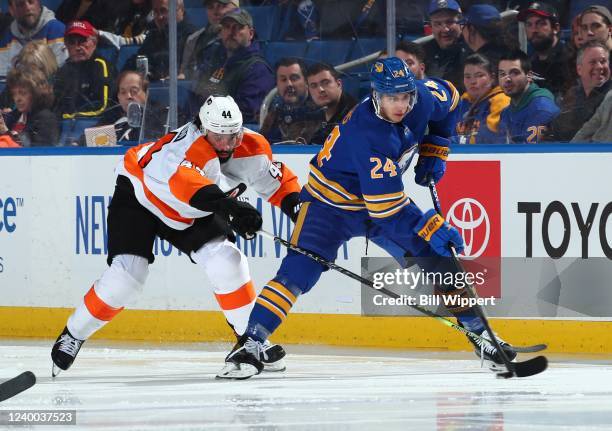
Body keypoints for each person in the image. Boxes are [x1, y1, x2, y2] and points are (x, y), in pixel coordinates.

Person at [216, 58, 516, 380]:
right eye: (391, 98)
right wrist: (431, 225)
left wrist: (437, 146)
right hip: (328, 206)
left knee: (437, 261)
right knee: (296, 273)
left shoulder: (423, 97)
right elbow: (386, 211)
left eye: (405, 96)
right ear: (376, 95)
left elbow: (451, 100)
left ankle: (482, 336)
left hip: (378, 199)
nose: (400, 105)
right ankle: (250, 343)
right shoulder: (368, 134)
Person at [50, 94, 302, 376]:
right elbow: (187, 186)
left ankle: (251, 340)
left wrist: (297, 208)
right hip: (141, 197)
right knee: (126, 279)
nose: (226, 145)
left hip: (192, 210)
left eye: (232, 136)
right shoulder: (183, 149)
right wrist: (231, 207)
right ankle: (74, 332)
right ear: (203, 129)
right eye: (218, 137)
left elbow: (275, 182)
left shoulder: (252, 147)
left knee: (227, 261)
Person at [192, 8, 274, 123]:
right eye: (227, 27)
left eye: (238, 27)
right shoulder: (215, 61)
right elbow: (196, 96)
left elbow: (244, 114)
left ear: (251, 34)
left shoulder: (257, 70)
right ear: (221, 32)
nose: (231, 32)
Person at [549, 41, 610, 142]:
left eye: (603, 61)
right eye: (593, 62)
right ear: (579, 69)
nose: (599, 66)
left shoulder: (610, 99)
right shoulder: (571, 97)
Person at [53, 20, 116, 119]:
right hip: (67, 125)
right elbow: (56, 105)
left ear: (94, 43)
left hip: (96, 123)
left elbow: (103, 107)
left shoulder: (101, 65)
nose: (77, 47)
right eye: (72, 42)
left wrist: (70, 117)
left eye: (82, 41)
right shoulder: (63, 69)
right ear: (66, 46)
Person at [497, 50, 560, 143]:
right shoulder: (505, 113)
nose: (507, 79)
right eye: (502, 74)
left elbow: (529, 155)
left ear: (529, 76)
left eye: (514, 73)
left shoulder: (542, 109)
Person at [124, 0, 196, 81]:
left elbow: (199, 72)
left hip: (181, 90)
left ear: (181, 10)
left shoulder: (194, 38)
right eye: (155, 12)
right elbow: (135, 63)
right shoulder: (153, 35)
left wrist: (185, 76)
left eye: (164, 11)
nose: (159, 17)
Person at [259, 57, 323, 144]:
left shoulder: (322, 111)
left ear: (306, 81)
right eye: (283, 79)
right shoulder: (274, 113)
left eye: (294, 78)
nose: (289, 84)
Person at [517, 1, 570, 99]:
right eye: (529, 25)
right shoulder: (530, 63)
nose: (534, 30)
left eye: (541, 24)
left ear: (556, 28)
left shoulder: (569, 60)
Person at [0, 0, 67, 76]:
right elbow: (1, 77)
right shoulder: (7, 36)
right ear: (11, 10)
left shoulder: (57, 29)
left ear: (39, 3)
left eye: (31, 2)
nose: (28, 8)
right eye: (20, 4)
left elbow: (61, 75)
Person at [455, 53, 509, 144]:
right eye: (467, 77)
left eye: (479, 75)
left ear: (492, 77)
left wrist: (455, 141)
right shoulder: (461, 102)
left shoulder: (501, 100)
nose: (473, 81)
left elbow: (490, 137)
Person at [179, 0, 239, 81]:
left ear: (236, 8)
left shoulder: (243, 39)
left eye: (221, 6)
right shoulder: (193, 40)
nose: (216, 12)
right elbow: (185, 76)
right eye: (210, 7)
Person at [0, 68, 59, 146]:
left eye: (23, 93)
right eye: (14, 94)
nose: (17, 99)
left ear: (36, 93)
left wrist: (5, 132)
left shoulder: (46, 119)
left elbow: (37, 154)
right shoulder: (14, 116)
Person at [422, 0, 469, 90]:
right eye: (438, 24)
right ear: (431, 27)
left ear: (461, 23)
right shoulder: (425, 51)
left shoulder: (470, 50)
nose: (445, 29)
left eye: (450, 22)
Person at [306, 62, 357, 145]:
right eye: (314, 86)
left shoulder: (355, 116)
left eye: (325, 83)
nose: (320, 89)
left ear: (339, 84)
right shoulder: (311, 115)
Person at [460, 4, 505, 71]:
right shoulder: (510, 53)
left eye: (463, 26)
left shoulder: (478, 63)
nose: (462, 31)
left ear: (472, 29)